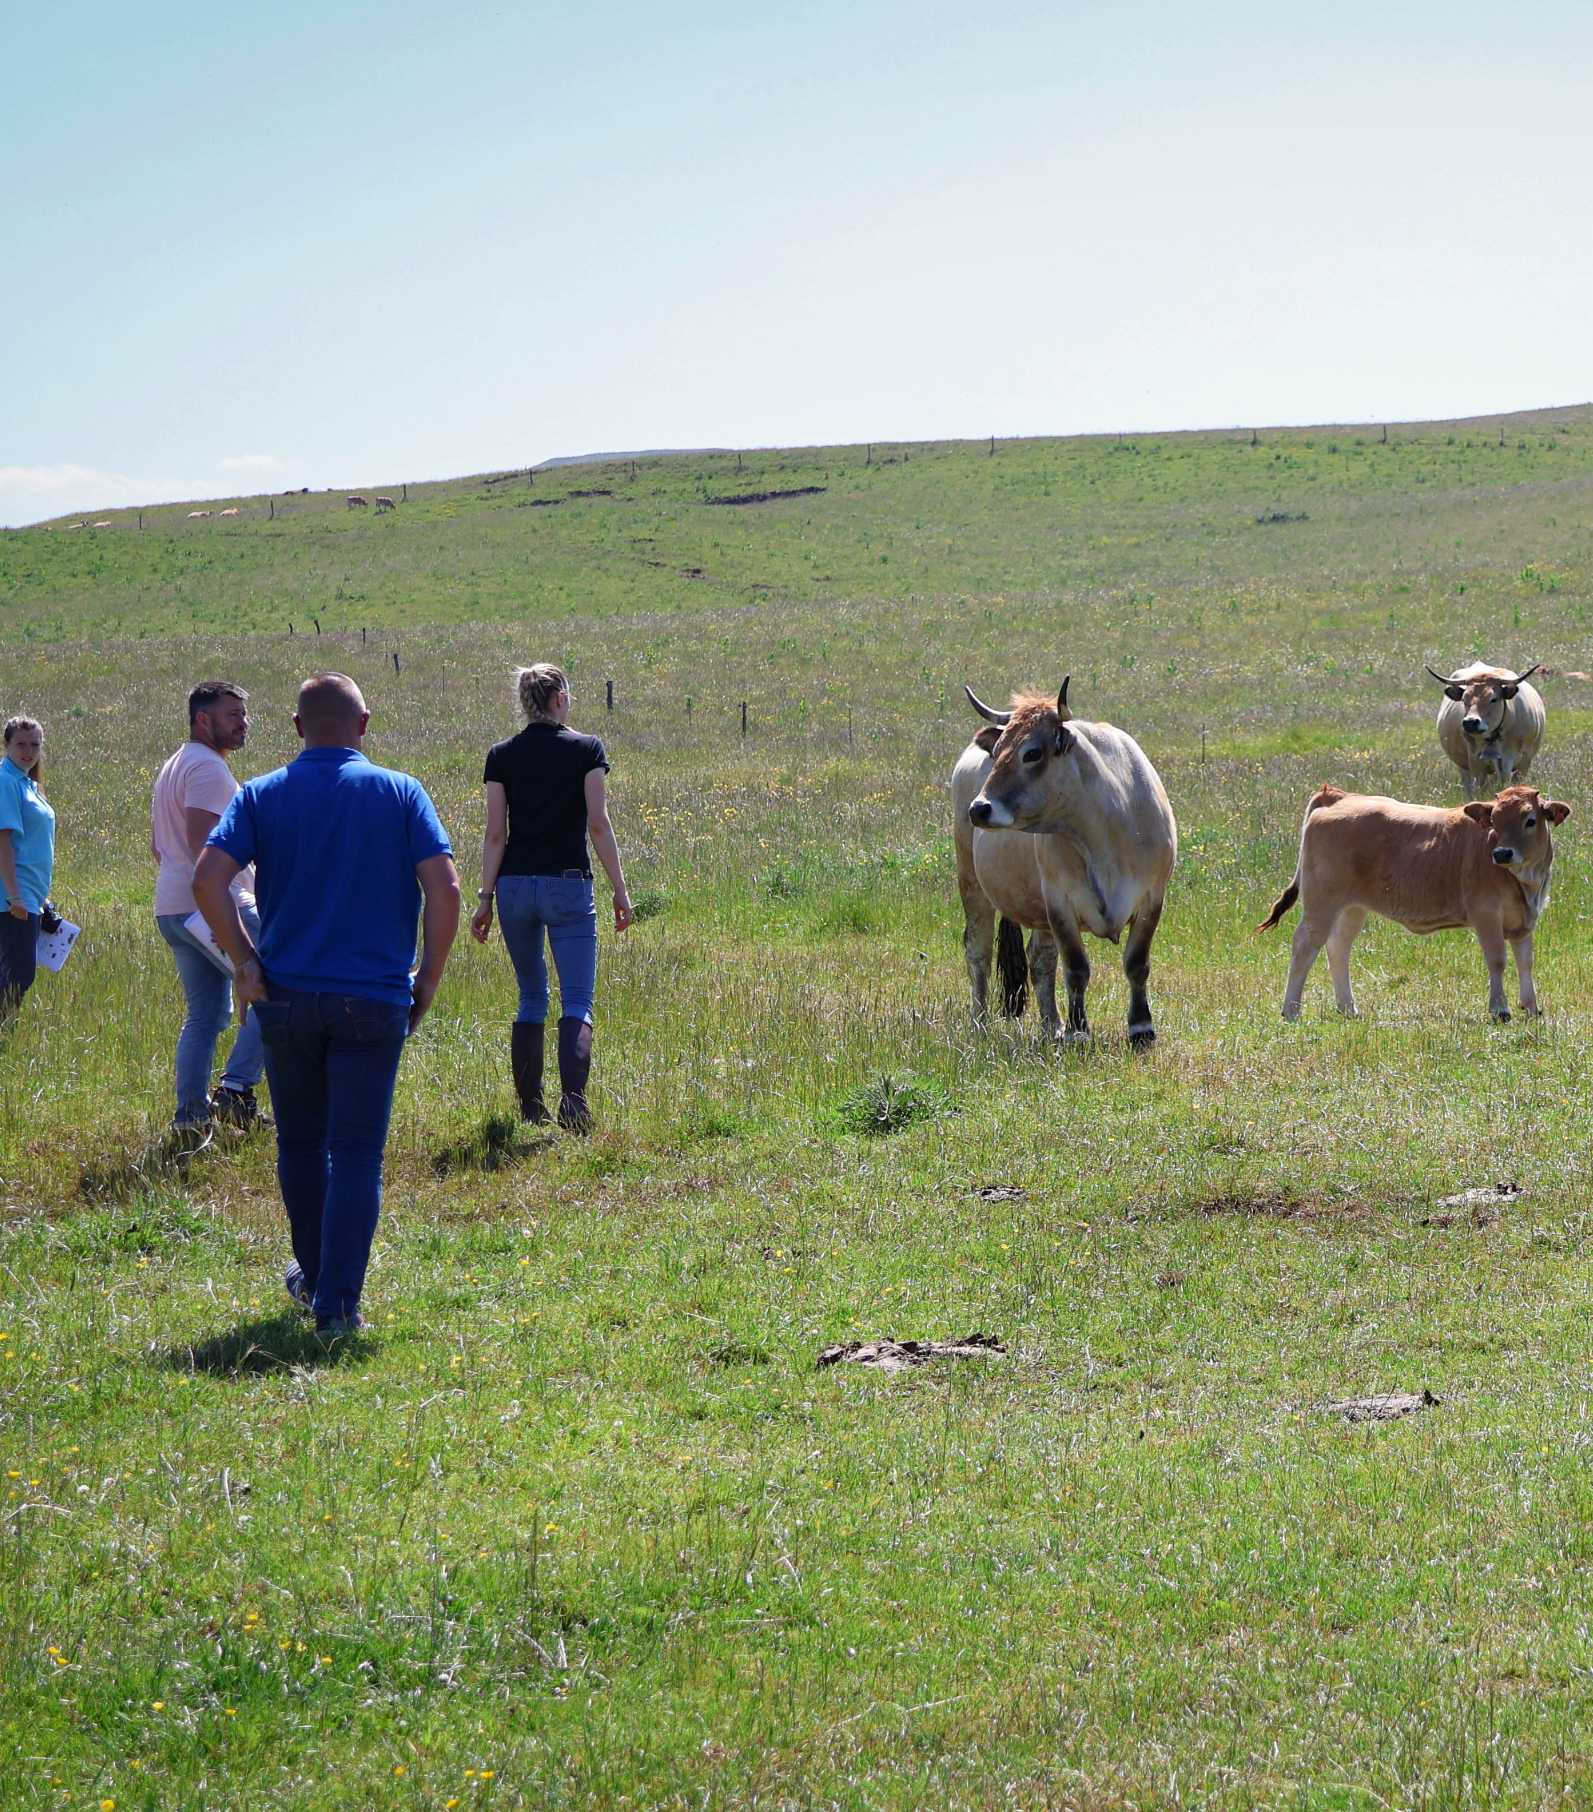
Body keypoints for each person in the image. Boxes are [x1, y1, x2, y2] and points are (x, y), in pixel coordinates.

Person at [192, 673, 460, 1337]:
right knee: (358, 1154)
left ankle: (316, 1284)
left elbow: (206, 880)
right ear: (364, 725)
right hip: (372, 998)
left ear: (296, 727)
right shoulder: (401, 792)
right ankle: (338, 1305)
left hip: (285, 998)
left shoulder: (259, 795)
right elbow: (446, 889)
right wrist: (425, 978)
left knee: (302, 1146)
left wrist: (244, 963)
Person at [470, 662, 632, 1129]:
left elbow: (495, 833)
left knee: (530, 996)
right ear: (559, 698)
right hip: (568, 884)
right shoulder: (586, 749)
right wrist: (620, 890)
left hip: (514, 886)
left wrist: (485, 898)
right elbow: (597, 823)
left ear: (526, 702)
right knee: (577, 998)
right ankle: (575, 1106)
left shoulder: (500, 754)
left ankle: (530, 1108)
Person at [152, 682, 268, 1132]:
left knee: (205, 1016)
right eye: (233, 714)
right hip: (211, 906)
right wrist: (223, 914)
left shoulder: (175, 765)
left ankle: (190, 1118)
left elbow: (159, 848)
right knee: (277, 990)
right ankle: (236, 1091)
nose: (243, 722)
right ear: (204, 719)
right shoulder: (206, 769)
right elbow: (204, 850)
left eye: (244, 713)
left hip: (174, 908)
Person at [0, 716, 55, 1016]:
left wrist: (40, 896)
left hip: (29, 895)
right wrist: (14, 896)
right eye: (21, 744)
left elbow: (31, 846)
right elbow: (3, 841)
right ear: (5, 744)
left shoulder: (28, 785)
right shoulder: (5, 781)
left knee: (13, 971)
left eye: (35, 744)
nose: (29, 751)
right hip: (11, 897)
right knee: (20, 974)